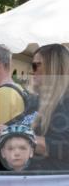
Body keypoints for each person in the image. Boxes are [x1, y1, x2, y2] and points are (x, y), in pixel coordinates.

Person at [27, 43, 69, 171]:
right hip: (32, 181)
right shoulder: (39, 101)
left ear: (53, 68)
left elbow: (62, 147)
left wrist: (18, 136)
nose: (32, 70)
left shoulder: (64, 102)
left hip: (54, 185)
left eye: (36, 66)